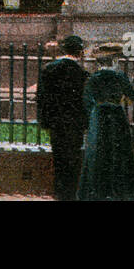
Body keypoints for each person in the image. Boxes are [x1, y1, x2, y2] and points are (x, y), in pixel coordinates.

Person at [77, 43, 134, 201]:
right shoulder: (120, 76)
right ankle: (119, 191)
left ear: (99, 63)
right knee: (119, 153)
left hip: (98, 116)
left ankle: (95, 192)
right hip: (116, 115)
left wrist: (92, 115)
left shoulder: (93, 78)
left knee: (97, 153)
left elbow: (86, 101)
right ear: (114, 61)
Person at [37, 35, 88, 201]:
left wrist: (44, 120)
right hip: (74, 122)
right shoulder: (81, 73)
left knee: (59, 157)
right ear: (80, 52)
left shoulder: (48, 68)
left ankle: (59, 192)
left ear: (63, 50)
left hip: (55, 121)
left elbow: (41, 97)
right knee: (73, 158)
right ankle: (70, 193)